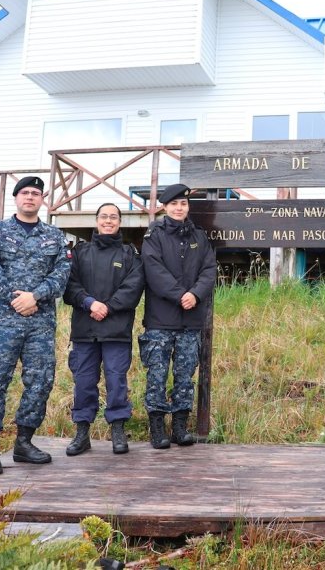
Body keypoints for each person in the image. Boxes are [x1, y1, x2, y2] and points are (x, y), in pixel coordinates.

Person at [0, 176, 71, 476]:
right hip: (3, 323)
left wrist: (36, 296)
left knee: (41, 381)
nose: (30, 197)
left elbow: (62, 274)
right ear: (16, 198)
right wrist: (16, 299)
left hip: (40, 324)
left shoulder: (54, 236)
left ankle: (24, 443)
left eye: (36, 193)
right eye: (25, 193)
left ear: (42, 200)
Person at [63, 203, 144, 456]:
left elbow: (133, 288)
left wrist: (107, 307)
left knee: (116, 381)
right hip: (85, 331)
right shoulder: (80, 252)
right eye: (104, 217)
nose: (108, 221)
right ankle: (82, 433)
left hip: (116, 331)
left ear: (120, 222)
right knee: (84, 382)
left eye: (113, 217)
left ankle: (118, 431)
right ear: (96, 220)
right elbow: (69, 286)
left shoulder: (130, 254)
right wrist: (90, 304)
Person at [139, 184, 216, 449]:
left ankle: (180, 427)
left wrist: (194, 294)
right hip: (160, 320)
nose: (179, 208)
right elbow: (153, 270)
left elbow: (209, 269)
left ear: (187, 207)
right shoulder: (154, 235)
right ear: (165, 207)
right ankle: (157, 428)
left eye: (183, 204)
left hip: (191, 320)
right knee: (157, 375)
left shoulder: (199, 236)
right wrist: (179, 294)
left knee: (185, 375)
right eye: (174, 204)